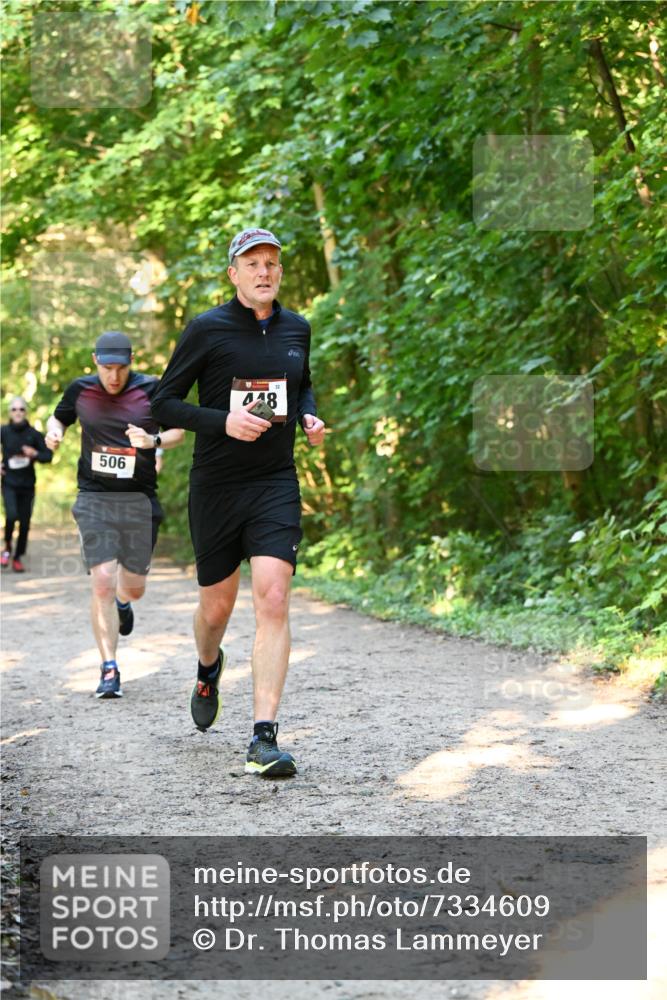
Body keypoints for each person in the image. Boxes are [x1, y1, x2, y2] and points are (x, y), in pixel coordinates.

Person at [151, 227, 325, 777]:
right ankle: (208, 666)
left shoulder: (298, 328)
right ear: (234, 273)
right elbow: (164, 405)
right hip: (217, 488)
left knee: (273, 598)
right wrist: (222, 421)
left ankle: (263, 738)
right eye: (253, 263)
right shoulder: (207, 329)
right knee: (216, 609)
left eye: (272, 262)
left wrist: (308, 415)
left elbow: (302, 386)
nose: (265, 271)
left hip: (275, 482)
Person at [45, 331, 184, 699]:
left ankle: (124, 603)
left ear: (131, 361)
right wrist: (53, 433)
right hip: (95, 497)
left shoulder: (152, 389)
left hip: (139, 499)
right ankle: (109, 667)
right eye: (107, 368)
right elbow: (58, 419)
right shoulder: (80, 390)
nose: (114, 376)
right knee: (102, 580)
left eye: (121, 368)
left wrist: (153, 442)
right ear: (95, 361)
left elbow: (178, 432)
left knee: (133, 588)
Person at [1, 396, 53, 572]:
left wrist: (35, 454)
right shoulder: (4, 431)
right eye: (14, 409)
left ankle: (17, 557)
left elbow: (48, 456)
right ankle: (7, 546)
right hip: (9, 483)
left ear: (26, 412)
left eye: (21, 409)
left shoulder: (34, 434)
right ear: (10, 412)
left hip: (28, 485)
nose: (18, 412)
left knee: (24, 523)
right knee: (11, 515)